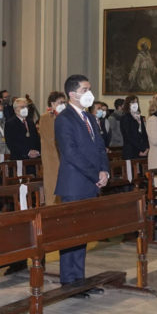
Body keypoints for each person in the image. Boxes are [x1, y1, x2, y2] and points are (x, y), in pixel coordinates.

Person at [53, 74, 110, 294]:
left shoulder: (89, 118)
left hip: (89, 182)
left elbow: (100, 147)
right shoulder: (64, 118)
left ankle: (79, 279)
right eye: (85, 89)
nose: (90, 93)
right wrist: (94, 173)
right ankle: (70, 281)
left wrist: (104, 169)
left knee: (83, 234)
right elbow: (70, 153)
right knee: (72, 235)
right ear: (73, 94)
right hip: (74, 184)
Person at [38, 91, 66, 197]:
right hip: (52, 157)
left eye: (64, 102)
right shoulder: (46, 117)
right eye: (60, 102)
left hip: (63, 157)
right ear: (52, 104)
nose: (63, 105)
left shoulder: (64, 116)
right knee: (53, 186)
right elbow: (51, 137)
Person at [119, 95, 149, 160]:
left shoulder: (140, 117)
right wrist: (139, 149)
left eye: (136, 102)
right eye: (132, 102)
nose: (135, 104)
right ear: (128, 104)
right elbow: (128, 136)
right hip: (131, 151)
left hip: (143, 151)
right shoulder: (125, 118)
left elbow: (144, 134)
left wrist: (146, 148)